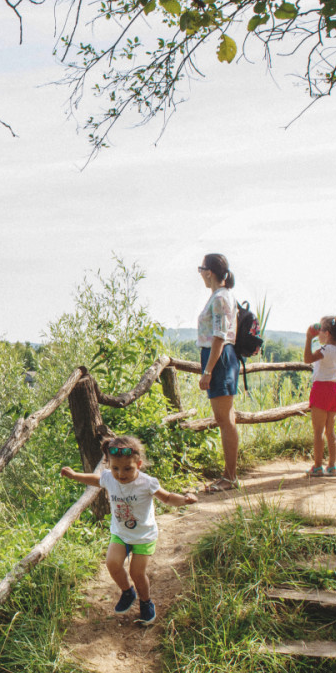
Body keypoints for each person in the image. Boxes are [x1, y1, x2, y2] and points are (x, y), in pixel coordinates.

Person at [59, 435, 197, 627]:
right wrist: (75, 475)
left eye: (127, 469)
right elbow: (95, 479)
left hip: (143, 536)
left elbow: (167, 498)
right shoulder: (109, 477)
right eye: (115, 468)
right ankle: (127, 592)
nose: (120, 474)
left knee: (137, 573)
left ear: (138, 464)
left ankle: (146, 602)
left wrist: (184, 499)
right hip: (121, 533)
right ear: (109, 465)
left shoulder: (147, 483)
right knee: (112, 563)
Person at [196, 253, 240, 492]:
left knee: (224, 420)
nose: (201, 274)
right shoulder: (220, 296)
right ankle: (229, 474)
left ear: (209, 272)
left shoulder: (220, 298)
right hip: (221, 357)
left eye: (201, 269)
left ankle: (230, 477)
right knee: (227, 418)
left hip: (219, 358)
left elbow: (219, 337)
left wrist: (208, 370)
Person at [304, 315, 336, 476]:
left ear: (328, 333)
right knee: (330, 432)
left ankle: (317, 466)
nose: (319, 333)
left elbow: (307, 359)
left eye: (320, 329)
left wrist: (309, 338)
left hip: (321, 390)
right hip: (334, 391)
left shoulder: (324, 351)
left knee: (318, 432)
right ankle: (332, 466)